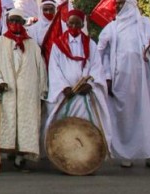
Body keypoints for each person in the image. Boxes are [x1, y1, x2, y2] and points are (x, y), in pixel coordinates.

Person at [96, 0, 150, 169]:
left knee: (146, 115)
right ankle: (127, 154)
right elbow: (101, 53)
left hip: (144, 80)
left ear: (130, 5)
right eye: (116, 4)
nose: (118, 7)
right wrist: (107, 77)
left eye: (121, 4)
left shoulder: (144, 24)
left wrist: (149, 49)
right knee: (126, 117)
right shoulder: (112, 27)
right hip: (121, 80)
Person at [0, 9, 47, 173]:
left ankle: (20, 160)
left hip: (28, 94)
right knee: (2, 125)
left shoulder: (32, 45)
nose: (15, 24)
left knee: (24, 127)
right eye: (12, 20)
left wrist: (41, 91)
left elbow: (41, 70)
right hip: (7, 93)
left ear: (23, 23)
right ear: (7, 22)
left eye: (19, 21)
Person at [45, 10, 111, 150]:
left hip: (83, 94)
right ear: (67, 24)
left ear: (82, 25)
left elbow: (96, 66)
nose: (74, 27)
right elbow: (54, 69)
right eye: (71, 23)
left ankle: (85, 156)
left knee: (84, 125)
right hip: (66, 94)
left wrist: (89, 84)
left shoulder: (90, 44)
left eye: (77, 24)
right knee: (63, 125)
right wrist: (64, 87)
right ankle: (64, 157)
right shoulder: (58, 44)